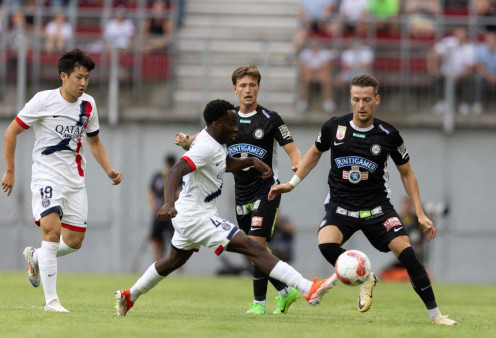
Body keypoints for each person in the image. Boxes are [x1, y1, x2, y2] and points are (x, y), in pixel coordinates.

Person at [114, 99, 336, 316]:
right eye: (232, 123)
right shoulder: (204, 147)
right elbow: (176, 170)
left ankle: (129, 295)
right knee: (254, 247)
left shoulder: (216, 143)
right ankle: (308, 289)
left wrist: (250, 161)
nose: (237, 128)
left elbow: (226, 163)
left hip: (192, 215)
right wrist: (168, 202)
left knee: (173, 260)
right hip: (197, 216)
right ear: (217, 124)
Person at [268, 74, 459, 326]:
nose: (361, 105)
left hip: (377, 208)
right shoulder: (333, 127)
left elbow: (407, 174)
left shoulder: (388, 134)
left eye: (366, 100)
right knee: (326, 245)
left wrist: (420, 214)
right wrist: (291, 185)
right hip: (340, 205)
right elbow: (314, 154)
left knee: (409, 255)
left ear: (376, 100)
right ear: (351, 99)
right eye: (356, 99)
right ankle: (367, 276)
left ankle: (436, 316)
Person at [174, 65, 303, 315]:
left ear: (258, 88)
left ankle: (259, 303)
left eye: (252, 85)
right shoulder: (226, 117)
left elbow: (292, 148)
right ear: (234, 89)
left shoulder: (270, 119)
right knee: (253, 248)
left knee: (254, 243)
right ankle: (286, 291)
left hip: (267, 190)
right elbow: (200, 141)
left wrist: (296, 162)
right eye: (242, 85)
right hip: (240, 191)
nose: (248, 90)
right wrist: (185, 141)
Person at [1, 49, 123, 312]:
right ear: (63, 76)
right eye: (78, 77)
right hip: (46, 175)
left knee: (74, 241)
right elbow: (11, 131)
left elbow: (94, 141)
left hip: (75, 180)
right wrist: (10, 170)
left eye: (87, 78)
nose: (83, 83)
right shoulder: (43, 101)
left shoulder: (88, 105)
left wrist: (109, 169)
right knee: (51, 232)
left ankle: (36, 256)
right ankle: (52, 302)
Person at [426, 26, 476, 115]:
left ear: (466, 35)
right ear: (455, 34)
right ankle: (440, 103)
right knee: (437, 78)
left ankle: (465, 104)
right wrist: (433, 68)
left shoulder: (470, 47)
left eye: (462, 33)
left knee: (469, 78)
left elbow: (469, 66)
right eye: (459, 33)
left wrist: (459, 75)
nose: (460, 35)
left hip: (461, 75)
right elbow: (433, 52)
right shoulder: (448, 42)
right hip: (446, 74)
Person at [147, 154, 179, 262]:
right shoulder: (158, 176)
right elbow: (150, 193)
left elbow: (181, 192)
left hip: (172, 215)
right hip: (159, 214)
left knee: (177, 242)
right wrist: (153, 208)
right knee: (157, 242)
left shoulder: (177, 177)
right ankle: (155, 266)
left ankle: (180, 271)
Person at [296, 36, 336, 113]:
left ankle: (328, 101)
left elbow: (328, 67)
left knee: (326, 78)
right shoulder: (305, 53)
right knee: (305, 78)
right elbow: (303, 67)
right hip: (309, 74)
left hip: (321, 74)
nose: (315, 47)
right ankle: (303, 101)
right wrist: (314, 71)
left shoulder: (325, 53)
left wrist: (316, 71)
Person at [474, 30, 496, 114]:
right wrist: (488, 76)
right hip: (485, 76)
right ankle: (477, 103)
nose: (491, 42)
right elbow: (479, 65)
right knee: (477, 78)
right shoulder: (481, 49)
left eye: (493, 40)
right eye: (489, 40)